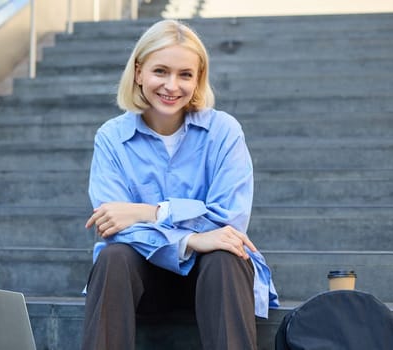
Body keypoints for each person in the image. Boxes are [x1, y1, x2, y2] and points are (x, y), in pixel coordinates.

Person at [81, 19, 278, 350]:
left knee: (226, 255)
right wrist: (190, 239)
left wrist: (149, 212)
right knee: (114, 257)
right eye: (161, 71)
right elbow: (113, 225)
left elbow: (228, 221)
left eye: (185, 74)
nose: (172, 86)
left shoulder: (224, 132)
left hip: (214, 283)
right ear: (139, 72)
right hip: (138, 282)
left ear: (198, 79)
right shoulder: (112, 138)